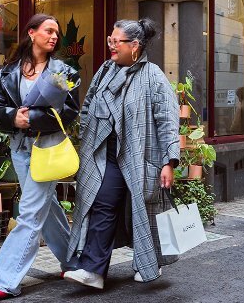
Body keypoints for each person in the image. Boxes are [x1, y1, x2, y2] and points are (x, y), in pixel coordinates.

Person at [63, 19, 180, 289]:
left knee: (146, 210)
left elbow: (167, 119)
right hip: (108, 155)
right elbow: (89, 103)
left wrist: (168, 161)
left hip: (142, 155)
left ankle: (149, 263)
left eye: (117, 41)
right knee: (102, 203)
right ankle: (93, 270)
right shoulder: (105, 71)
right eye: (110, 40)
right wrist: (86, 132)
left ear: (135, 46)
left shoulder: (153, 75)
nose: (112, 46)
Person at [0, 14, 82, 299]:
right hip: (19, 148)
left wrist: (33, 119)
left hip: (47, 147)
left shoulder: (63, 72)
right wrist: (13, 117)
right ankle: (73, 260)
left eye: (57, 32)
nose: (54, 36)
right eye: (49, 30)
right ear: (31, 32)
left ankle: (5, 280)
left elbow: (70, 111)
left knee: (28, 213)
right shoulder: (8, 71)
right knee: (45, 207)